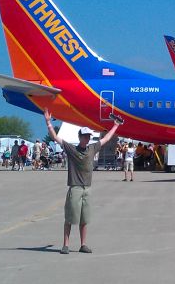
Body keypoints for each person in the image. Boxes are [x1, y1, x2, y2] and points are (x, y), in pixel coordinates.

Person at [44, 107, 122, 254]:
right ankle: (65, 245)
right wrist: (48, 122)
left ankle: (83, 244)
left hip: (87, 188)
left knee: (84, 219)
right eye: (84, 136)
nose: (86, 138)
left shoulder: (92, 148)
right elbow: (55, 137)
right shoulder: (71, 149)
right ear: (80, 137)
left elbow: (106, 139)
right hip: (75, 187)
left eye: (88, 136)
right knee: (70, 218)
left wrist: (116, 125)